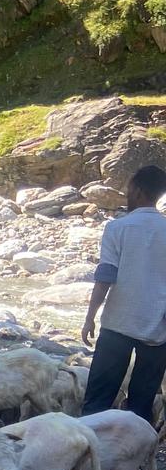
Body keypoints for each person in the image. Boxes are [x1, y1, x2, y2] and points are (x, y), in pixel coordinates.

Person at [80, 162, 166, 423]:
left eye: (129, 189)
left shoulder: (118, 227)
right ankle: (132, 458)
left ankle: (92, 453)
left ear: (138, 190)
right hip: (158, 328)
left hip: (118, 322)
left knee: (97, 399)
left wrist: (90, 316)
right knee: (141, 405)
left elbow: (106, 275)